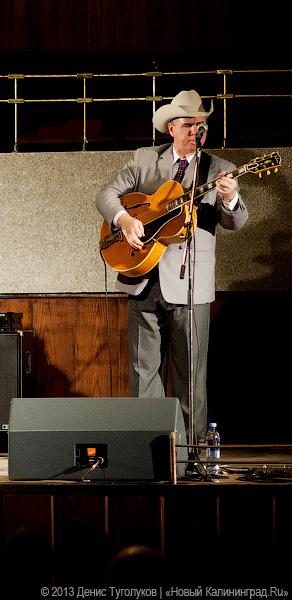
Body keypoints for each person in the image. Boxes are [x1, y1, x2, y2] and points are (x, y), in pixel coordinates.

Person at [96, 90, 248, 444]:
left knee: (190, 376)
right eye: (188, 123)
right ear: (171, 127)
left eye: (200, 124)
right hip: (142, 278)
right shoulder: (144, 160)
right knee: (143, 371)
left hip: (191, 286)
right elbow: (106, 194)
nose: (195, 130)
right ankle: (147, 452)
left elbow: (236, 223)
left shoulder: (219, 169)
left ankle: (190, 452)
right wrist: (123, 220)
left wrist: (230, 198)